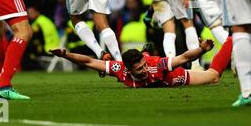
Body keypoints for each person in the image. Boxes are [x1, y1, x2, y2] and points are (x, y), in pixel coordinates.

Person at [50, 37, 233, 88]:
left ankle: (232, 38)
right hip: (152, 73)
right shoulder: (119, 69)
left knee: (214, 77)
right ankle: (145, 50)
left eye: (144, 65)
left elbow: (184, 58)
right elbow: (90, 61)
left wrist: (202, 50)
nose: (144, 70)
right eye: (139, 68)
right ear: (128, 69)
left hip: (173, 78)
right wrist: (66, 55)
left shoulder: (156, 65)